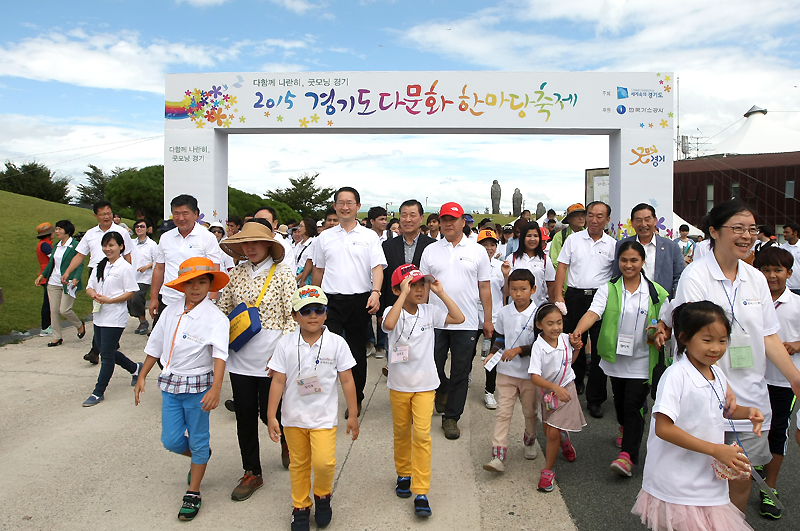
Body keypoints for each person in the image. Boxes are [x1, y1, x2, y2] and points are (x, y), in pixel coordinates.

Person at [656, 199, 800, 512]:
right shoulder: (696, 277)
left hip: (749, 399)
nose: (747, 235)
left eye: (751, 229)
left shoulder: (756, 279)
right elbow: (689, 339)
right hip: (706, 396)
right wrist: (721, 383)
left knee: (740, 476)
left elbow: (769, 335)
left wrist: (795, 378)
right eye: (737, 228)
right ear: (714, 232)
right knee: (702, 476)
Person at [633, 301, 763, 531]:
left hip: (706, 477)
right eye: (707, 340)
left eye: (722, 341)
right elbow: (663, 427)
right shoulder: (676, 376)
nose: (716, 348)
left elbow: (718, 409)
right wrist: (715, 449)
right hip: (677, 480)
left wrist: (747, 412)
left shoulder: (716, 373)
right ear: (684, 338)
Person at [134, 257, 230, 521]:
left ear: (211, 285)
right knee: (172, 440)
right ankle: (201, 455)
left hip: (199, 385)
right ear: (182, 286)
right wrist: (142, 374)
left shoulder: (216, 318)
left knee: (198, 438)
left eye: (202, 282)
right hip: (171, 383)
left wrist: (216, 389)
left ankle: (193, 491)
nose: (196, 288)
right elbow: (155, 345)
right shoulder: (171, 310)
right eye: (191, 283)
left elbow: (221, 355)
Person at [571, 241, 670, 477]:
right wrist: (578, 331)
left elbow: (666, 322)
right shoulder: (609, 288)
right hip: (615, 359)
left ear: (643, 262)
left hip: (642, 359)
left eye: (634, 260)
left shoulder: (656, 292)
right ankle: (626, 429)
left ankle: (628, 456)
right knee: (620, 402)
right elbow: (593, 313)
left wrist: (661, 333)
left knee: (633, 404)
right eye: (624, 260)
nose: (628, 265)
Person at [266, 286, 360, 531]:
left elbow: (347, 379)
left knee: (323, 463)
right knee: (299, 464)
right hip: (293, 418)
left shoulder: (337, 343)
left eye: (319, 309)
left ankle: (322, 496)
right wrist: (271, 414)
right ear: (295, 315)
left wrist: (353, 414)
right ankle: (300, 506)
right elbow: (277, 380)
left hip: (323, 418)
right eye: (305, 310)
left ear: (326, 313)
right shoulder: (285, 344)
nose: (312, 315)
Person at [216, 220, 296, 500]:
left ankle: (287, 441)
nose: (250, 248)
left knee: (271, 413)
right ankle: (252, 471)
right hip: (240, 357)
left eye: (256, 242)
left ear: (268, 245)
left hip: (272, 357)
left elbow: (291, 316)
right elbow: (223, 308)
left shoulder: (284, 273)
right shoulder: (235, 273)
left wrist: (282, 355)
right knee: (245, 416)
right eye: (244, 243)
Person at [382, 264, 464, 517]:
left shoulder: (430, 311)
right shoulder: (391, 310)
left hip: (426, 386)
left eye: (422, 285)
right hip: (399, 385)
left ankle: (421, 491)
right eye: (412, 285)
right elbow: (388, 324)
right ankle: (403, 473)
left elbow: (459, 318)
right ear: (398, 288)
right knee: (401, 433)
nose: (419, 290)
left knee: (422, 437)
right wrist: (401, 297)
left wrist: (440, 292)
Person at [419, 201, 493, 440]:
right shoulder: (431, 250)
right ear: (439, 223)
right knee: (433, 364)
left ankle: (451, 417)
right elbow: (421, 287)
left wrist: (488, 320)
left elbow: (484, 287)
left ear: (463, 222)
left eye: (453, 219)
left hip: (467, 322)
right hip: (436, 321)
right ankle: (442, 388)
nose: (448, 224)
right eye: (444, 220)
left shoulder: (477, 251)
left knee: (461, 370)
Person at [312, 187, 387, 419]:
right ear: (335, 206)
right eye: (341, 202)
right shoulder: (324, 237)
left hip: (359, 301)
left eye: (350, 202)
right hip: (330, 302)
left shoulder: (369, 236)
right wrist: (314, 299)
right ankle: (321, 400)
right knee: (325, 352)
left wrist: (376, 292)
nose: (345, 207)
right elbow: (319, 270)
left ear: (357, 206)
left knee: (356, 353)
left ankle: (356, 399)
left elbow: (377, 267)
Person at [554, 201, 616, 417]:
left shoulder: (612, 245)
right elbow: (562, 266)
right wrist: (558, 295)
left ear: (607, 219)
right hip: (575, 296)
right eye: (591, 215)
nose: (594, 219)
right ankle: (575, 382)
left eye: (600, 216)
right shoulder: (573, 239)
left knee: (599, 349)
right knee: (572, 341)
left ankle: (596, 398)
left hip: (601, 299)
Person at [753, 246, 800, 519]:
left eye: (778, 270)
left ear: (789, 273)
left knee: (777, 432)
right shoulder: (750, 300)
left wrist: (795, 344)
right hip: (751, 378)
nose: (771, 276)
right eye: (766, 270)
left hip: (782, 381)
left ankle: (770, 488)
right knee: (751, 426)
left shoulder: (796, 304)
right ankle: (755, 465)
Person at [62, 201, 134, 364]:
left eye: (109, 213)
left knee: (109, 308)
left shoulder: (121, 232)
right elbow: (80, 255)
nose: (107, 216)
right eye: (103, 214)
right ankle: (107, 343)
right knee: (100, 309)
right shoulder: (90, 234)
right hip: (97, 274)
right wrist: (68, 272)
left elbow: (128, 255)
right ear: (96, 215)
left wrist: (129, 276)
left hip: (116, 273)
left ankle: (96, 350)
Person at [482, 269, 540, 473]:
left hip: (530, 374)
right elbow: (499, 336)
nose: (518, 294)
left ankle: (530, 439)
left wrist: (519, 350)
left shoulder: (539, 313)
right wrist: (493, 353)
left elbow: (541, 344)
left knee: (530, 411)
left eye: (523, 289)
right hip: (506, 373)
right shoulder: (504, 311)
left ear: (533, 289)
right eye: (513, 289)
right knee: (503, 412)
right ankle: (498, 454)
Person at [528, 303, 586, 492]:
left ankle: (548, 472)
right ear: (539, 325)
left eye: (559, 323)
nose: (556, 328)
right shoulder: (538, 346)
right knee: (549, 431)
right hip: (548, 393)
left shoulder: (565, 339)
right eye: (550, 323)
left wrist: (577, 347)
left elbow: (569, 361)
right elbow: (534, 377)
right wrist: (553, 388)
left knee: (551, 432)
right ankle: (564, 439)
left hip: (566, 389)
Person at [82, 232, 141, 407]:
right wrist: (94, 294)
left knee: (106, 355)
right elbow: (89, 287)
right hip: (99, 315)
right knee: (104, 350)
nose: (108, 249)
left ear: (121, 247)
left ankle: (98, 392)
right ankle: (135, 368)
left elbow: (130, 292)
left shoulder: (125, 267)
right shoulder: (101, 266)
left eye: (112, 245)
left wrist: (110, 300)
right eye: (105, 245)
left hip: (114, 317)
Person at [149, 195, 224, 328]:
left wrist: (212, 301)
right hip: (168, 299)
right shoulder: (165, 237)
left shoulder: (207, 237)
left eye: (185, 213)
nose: (180, 218)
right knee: (164, 342)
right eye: (176, 214)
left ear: (195, 214)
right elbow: (159, 269)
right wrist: (154, 298)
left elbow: (215, 270)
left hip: (198, 301)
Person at [379, 200, 436, 364]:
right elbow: (383, 278)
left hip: (423, 309)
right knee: (398, 358)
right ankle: (400, 383)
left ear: (421, 218)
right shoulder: (387, 246)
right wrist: (382, 311)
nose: (408, 219)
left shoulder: (432, 246)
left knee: (423, 354)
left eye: (413, 215)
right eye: (404, 215)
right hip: (396, 307)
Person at [612, 204, 685, 299]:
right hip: (630, 302)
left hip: (661, 303)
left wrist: (676, 299)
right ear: (632, 223)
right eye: (638, 220)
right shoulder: (622, 245)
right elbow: (617, 275)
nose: (643, 224)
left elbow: (680, 276)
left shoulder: (671, 246)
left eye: (647, 219)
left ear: (655, 221)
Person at [36, 220, 86, 347]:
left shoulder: (75, 245)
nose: (56, 231)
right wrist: (42, 275)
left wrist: (76, 278)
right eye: (56, 229)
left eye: (59, 229)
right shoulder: (56, 245)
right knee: (54, 310)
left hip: (68, 282)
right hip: (53, 282)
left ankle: (79, 325)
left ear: (67, 231)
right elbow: (51, 263)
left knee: (64, 310)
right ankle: (57, 337)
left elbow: (79, 263)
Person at [476, 228, 510, 410]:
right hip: (474, 316)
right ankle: (465, 379)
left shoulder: (500, 265)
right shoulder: (471, 263)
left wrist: (506, 275)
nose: (488, 248)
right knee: (467, 353)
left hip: (495, 317)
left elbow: (506, 293)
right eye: (484, 244)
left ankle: (489, 391)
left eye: (492, 244)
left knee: (492, 356)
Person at [510, 221, 555, 308]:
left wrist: (552, 306)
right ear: (523, 238)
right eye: (529, 236)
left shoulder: (545, 259)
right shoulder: (512, 258)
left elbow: (551, 285)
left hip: (539, 307)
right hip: (515, 307)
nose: (532, 239)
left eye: (536, 236)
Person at [129, 219, 158, 335]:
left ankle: (143, 322)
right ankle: (142, 319)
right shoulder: (131, 243)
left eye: (142, 226)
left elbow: (157, 261)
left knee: (137, 298)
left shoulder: (152, 245)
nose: (139, 228)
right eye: (137, 226)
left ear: (147, 229)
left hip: (145, 277)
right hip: (132, 276)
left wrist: (147, 266)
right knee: (130, 301)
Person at [548, 203, 586, 290]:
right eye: (577, 215)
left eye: (583, 215)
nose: (581, 218)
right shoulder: (560, 236)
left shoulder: (590, 236)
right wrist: (560, 282)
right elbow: (555, 261)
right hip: (567, 286)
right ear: (569, 219)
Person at [35, 222, 54, 337]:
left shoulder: (42, 243)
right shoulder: (45, 245)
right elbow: (53, 259)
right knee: (48, 302)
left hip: (45, 275)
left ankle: (47, 326)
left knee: (48, 302)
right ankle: (46, 327)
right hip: (47, 275)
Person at [293, 217, 318, 287]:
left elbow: (311, 264)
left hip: (304, 280)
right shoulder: (299, 243)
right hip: (295, 276)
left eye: (301, 226)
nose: (299, 228)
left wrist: (300, 277)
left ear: (308, 227)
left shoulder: (314, 242)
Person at [780, 222, 800, 295]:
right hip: (786, 287)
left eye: (787, 232)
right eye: (784, 232)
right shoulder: (782, 248)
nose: (784, 234)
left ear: (795, 233)